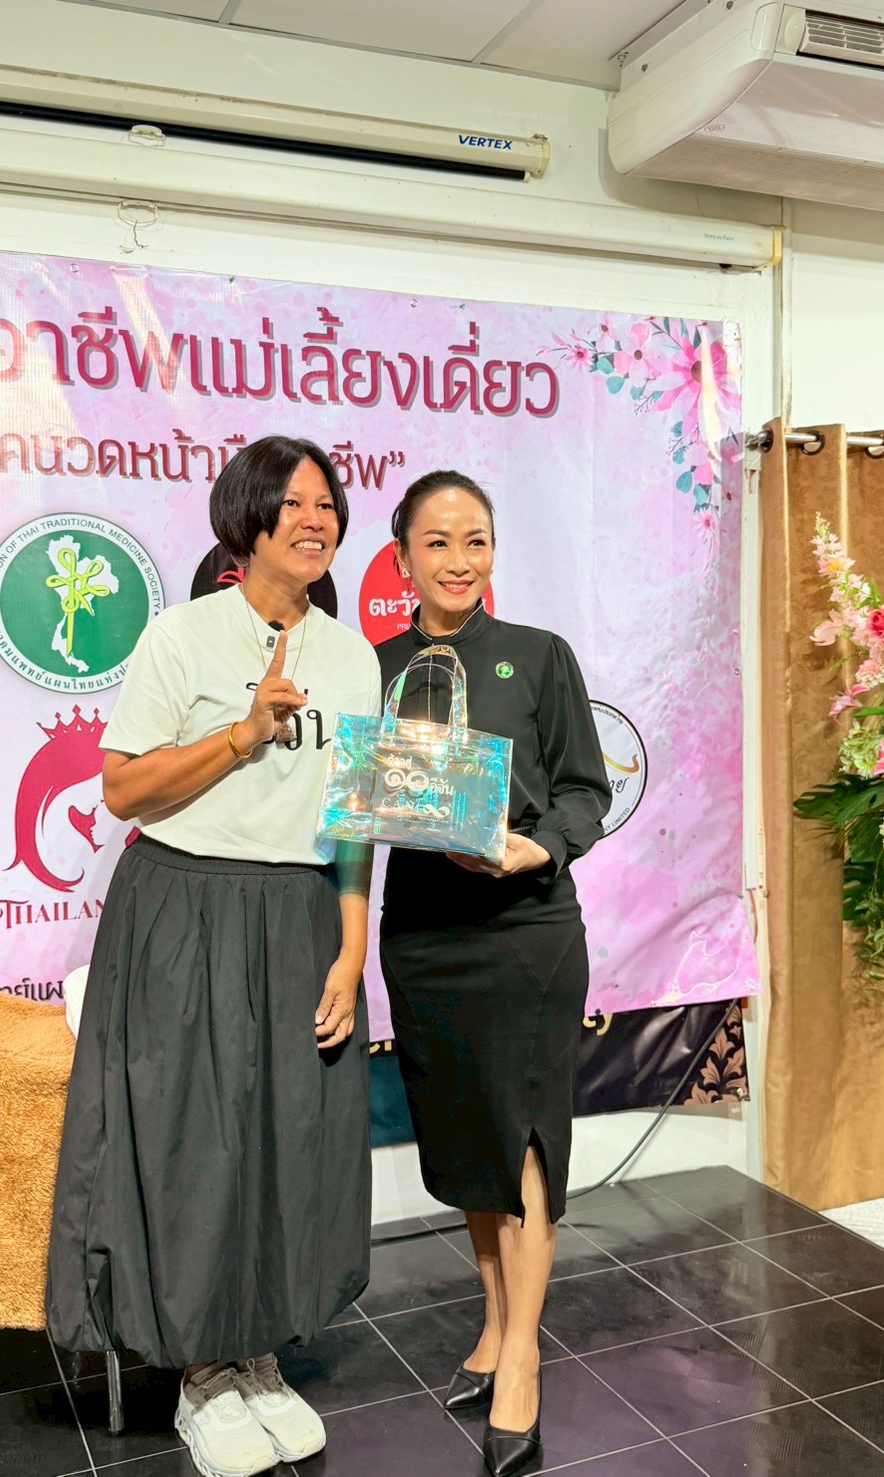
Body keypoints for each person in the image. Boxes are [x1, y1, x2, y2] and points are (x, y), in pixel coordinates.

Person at [45, 435, 382, 1477]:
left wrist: (350, 951)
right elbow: (121, 790)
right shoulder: (182, 636)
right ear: (246, 520)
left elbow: (355, 821)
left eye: (327, 503)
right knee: (197, 1143)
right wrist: (240, 734)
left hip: (299, 915)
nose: (315, 520)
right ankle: (201, 1373)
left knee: (288, 1138)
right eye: (294, 503)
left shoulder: (352, 656)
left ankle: (258, 1352)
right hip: (184, 908)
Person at [375, 470, 611, 1477]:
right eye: (437, 542)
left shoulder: (538, 655)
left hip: (525, 931)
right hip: (424, 937)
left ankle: (523, 1356)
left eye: (475, 539)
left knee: (521, 1140)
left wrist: (537, 846)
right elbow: (362, 805)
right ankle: (492, 1320)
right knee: (470, 1137)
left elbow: (585, 790)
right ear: (402, 557)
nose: (458, 560)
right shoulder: (376, 668)